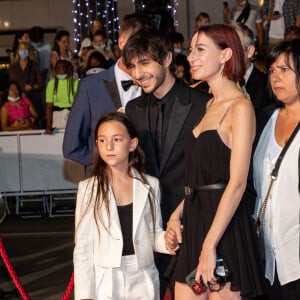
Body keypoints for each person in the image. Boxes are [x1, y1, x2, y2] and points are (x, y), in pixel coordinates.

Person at [164, 24, 265, 300]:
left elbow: (237, 183)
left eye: (200, 49)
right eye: (190, 50)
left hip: (226, 229)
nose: (191, 57)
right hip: (195, 222)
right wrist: (176, 215)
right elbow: (203, 179)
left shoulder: (240, 108)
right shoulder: (207, 105)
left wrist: (210, 245)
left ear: (225, 55)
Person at [123, 27, 211, 298]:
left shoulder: (203, 104)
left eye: (145, 62)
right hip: (149, 228)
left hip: (193, 224)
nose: (138, 74)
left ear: (167, 59)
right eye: (133, 66)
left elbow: (210, 170)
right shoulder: (132, 111)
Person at [73, 111, 173, 300]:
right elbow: (83, 247)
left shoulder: (150, 185)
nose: (109, 146)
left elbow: (153, 233)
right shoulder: (89, 189)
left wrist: (169, 240)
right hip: (105, 281)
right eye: (102, 140)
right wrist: (85, 295)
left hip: (143, 278)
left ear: (132, 144)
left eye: (117, 140)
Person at [63, 13, 152, 175]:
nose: (143, 51)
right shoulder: (90, 87)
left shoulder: (154, 87)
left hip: (147, 185)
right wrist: (104, 162)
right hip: (103, 185)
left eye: (147, 46)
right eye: (137, 44)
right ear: (122, 42)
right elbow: (71, 147)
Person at [253, 39, 300, 300]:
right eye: (272, 70)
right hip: (268, 260)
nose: (276, 77)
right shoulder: (264, 119)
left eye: (285, 70)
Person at [232, 23, 272, 112]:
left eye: (234, 47)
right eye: (223, 47)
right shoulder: (211, 84)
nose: (227, 53)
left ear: (250, 51)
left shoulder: (267, 85)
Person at [8, 41, 43, 126]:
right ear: (18, 51)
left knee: (33, 124)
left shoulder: (34, 65)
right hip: (17, 102)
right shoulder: (13, 67)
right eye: (21, 49)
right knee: (18, 125)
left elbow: (40, 83)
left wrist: (32, 87)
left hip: (33, 99)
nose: (23, 51)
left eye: (25, 49)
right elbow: (10, 84)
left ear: (28, 51)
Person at [45, 60, 78, 134]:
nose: (61, 69)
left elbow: (80, 106)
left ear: (68, 69)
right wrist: (48, 126)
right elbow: (49, 107)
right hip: (57, 117)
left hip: (72, 116)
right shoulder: (51, 84)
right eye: (58, 68)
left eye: (63, 67)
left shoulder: (76, 83)